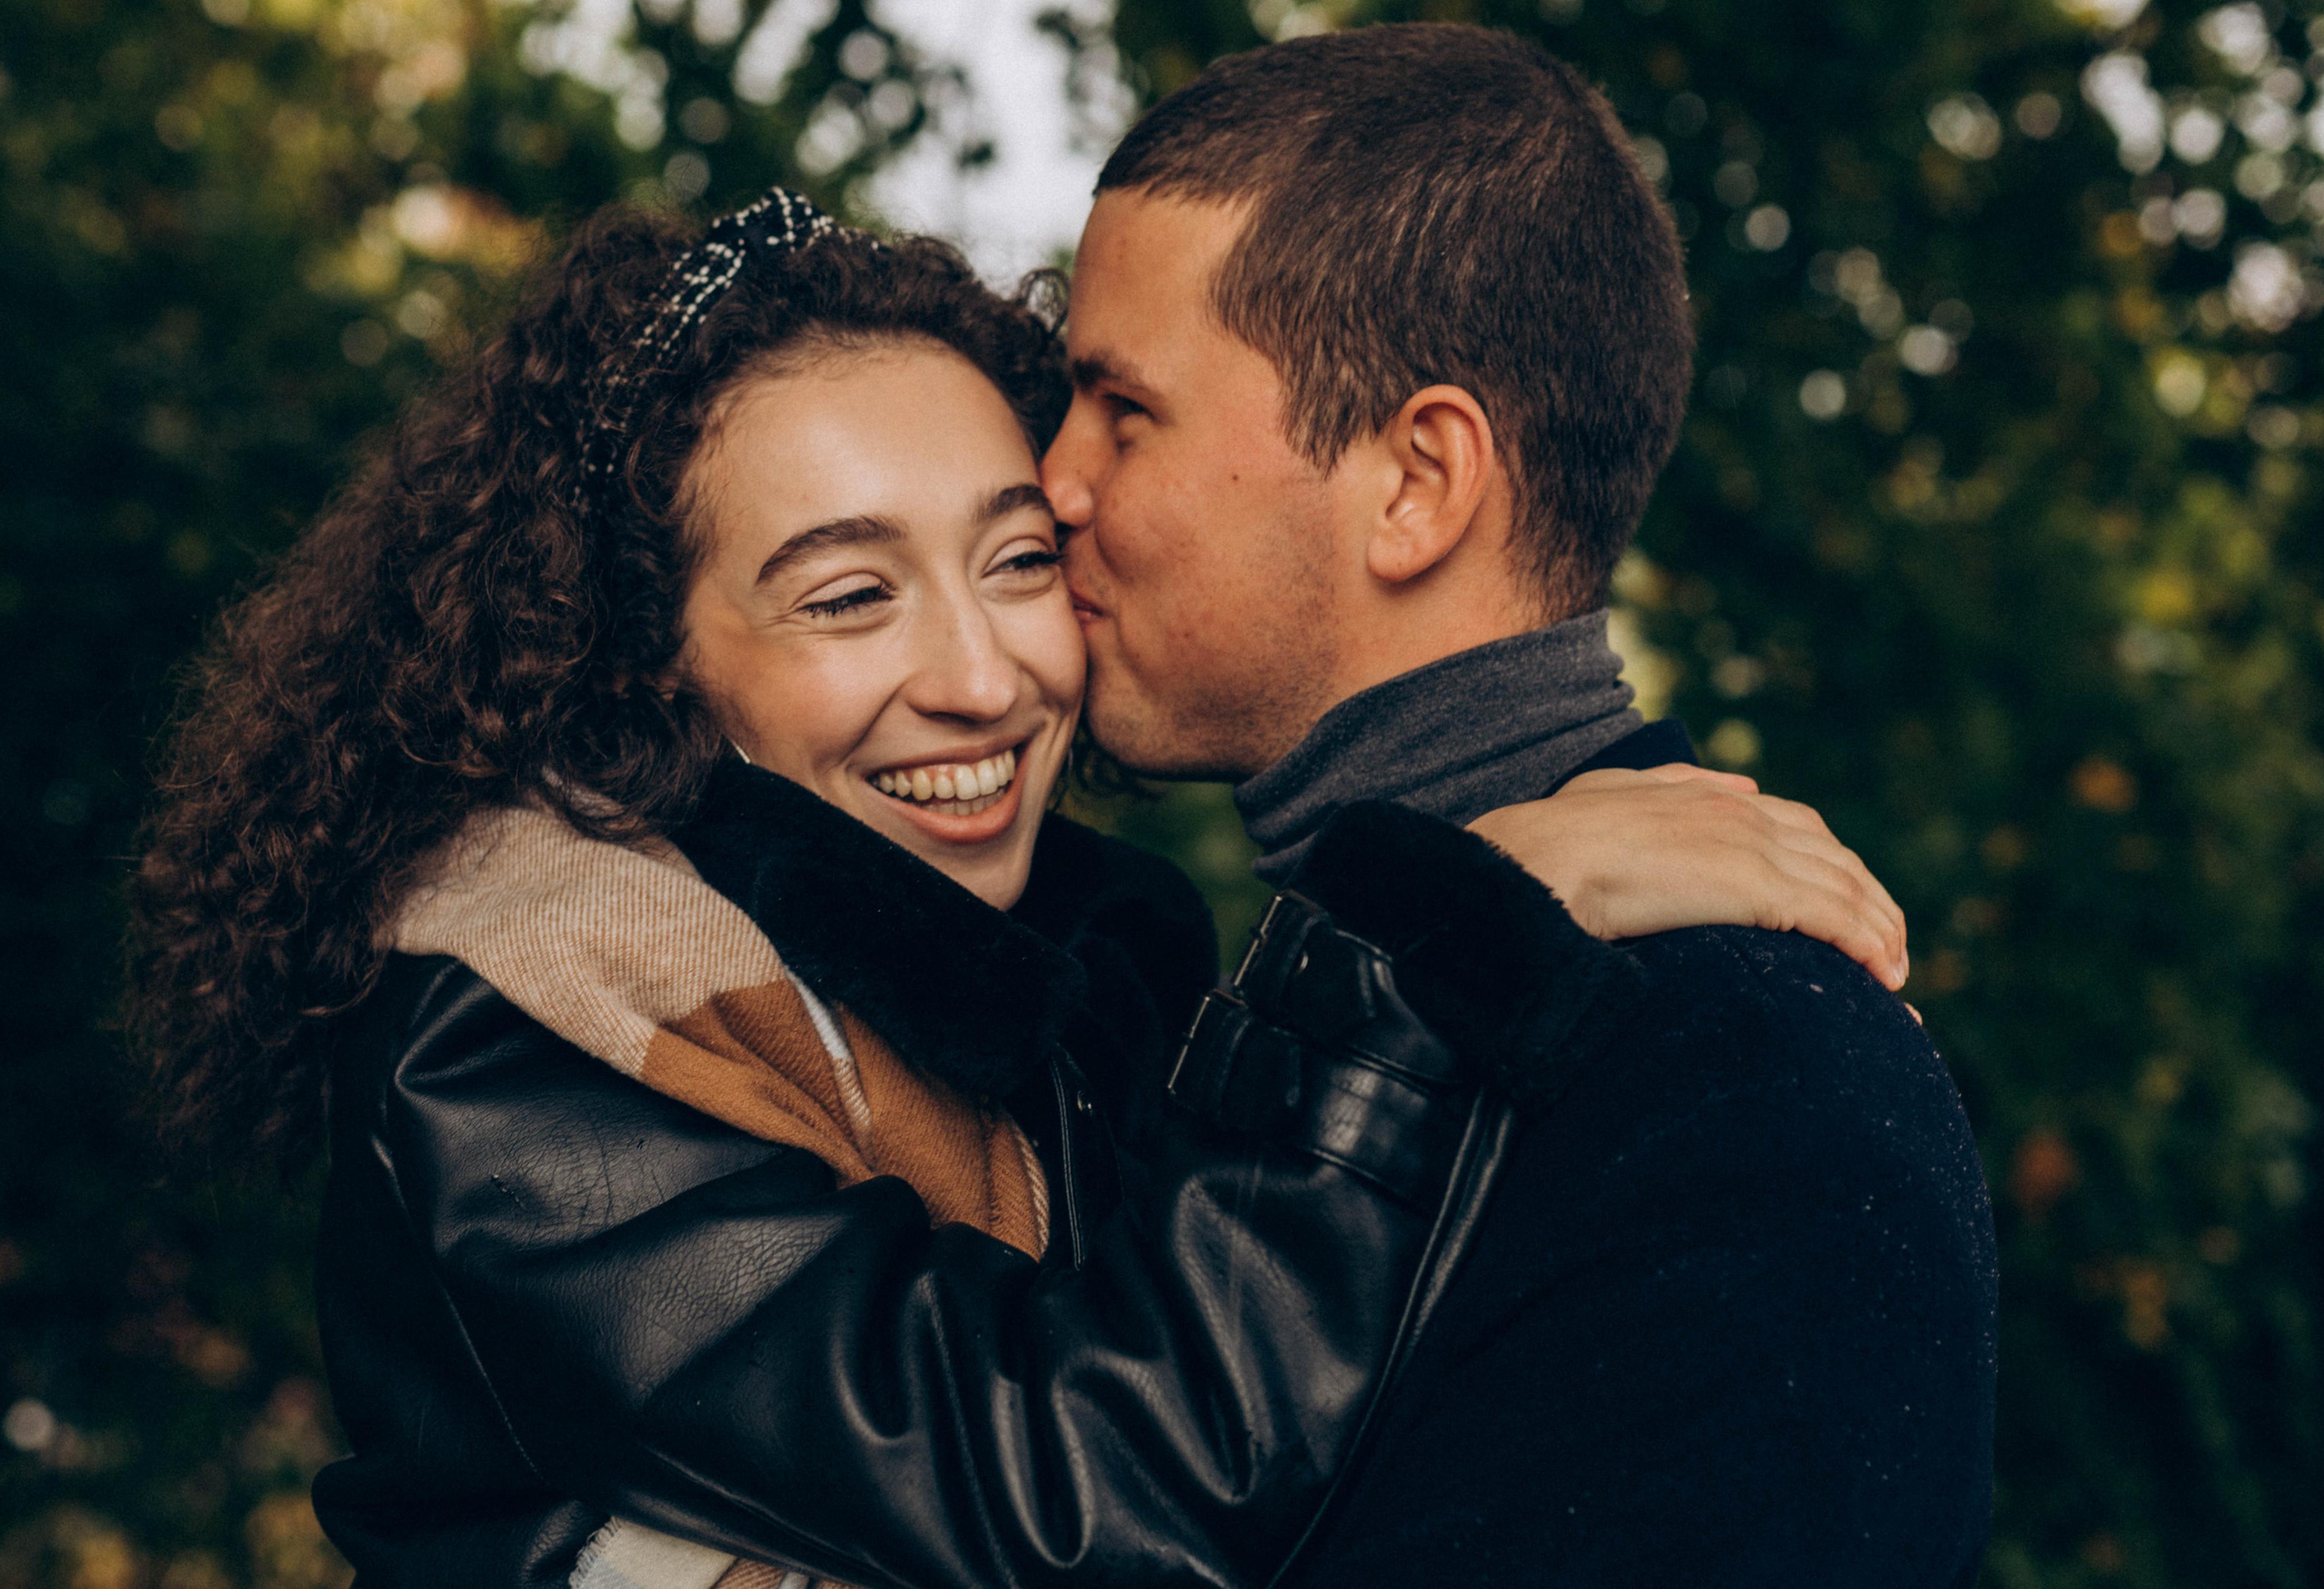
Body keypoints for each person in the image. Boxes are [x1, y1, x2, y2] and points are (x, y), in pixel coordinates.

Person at [125, 189, 1912, 1587]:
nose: (983, 675)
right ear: (647, 672)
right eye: (848, 596)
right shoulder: (527, 1017)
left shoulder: (1063, 978)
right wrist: (1438, 935)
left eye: (1016, 559)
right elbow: (1079, 1502)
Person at [1038, 21, 2000, 1587]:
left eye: (1121, 409)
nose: (1053, 479)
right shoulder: (1291, 987)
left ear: (1418, 482)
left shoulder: (1742, 1081)